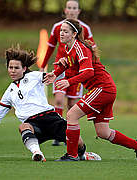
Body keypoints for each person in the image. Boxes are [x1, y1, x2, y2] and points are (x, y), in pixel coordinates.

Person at [0, 45, 101, 162]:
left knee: (79, 144)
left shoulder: (34, 76)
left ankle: (83, 155)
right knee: (23, 126)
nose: (12, 70)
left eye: (16, 67)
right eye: (10, 67)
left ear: (24, 68)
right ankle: (37, 153)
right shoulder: (9, 92)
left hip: (50, 118)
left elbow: (55, 75)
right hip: (33, 124)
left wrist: (66, 64)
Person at [43, 19, 137, 162]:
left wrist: (69, 82)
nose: (61, 33)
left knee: (72, 115)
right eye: (61, 30)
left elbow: (88, 73)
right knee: (103, 132)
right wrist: (55, 74)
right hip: (104, 89)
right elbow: (69, 65)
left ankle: (72, 155)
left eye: (65, 31)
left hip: (103, 88)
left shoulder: (80, 48)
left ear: (74, 34)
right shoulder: (69, 48)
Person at [40, 0, 96, 146]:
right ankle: (57, 133)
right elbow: (51, 46)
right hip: (61, 68)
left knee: (72, 105)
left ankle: (70, 135)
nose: (71, 10)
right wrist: (44, 64)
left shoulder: (85, 29)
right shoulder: (57, 27)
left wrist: (92, 66)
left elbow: (92, 49)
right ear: (65, 10)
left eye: (74, 8)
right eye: (69, 8)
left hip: (76, 72)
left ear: (78, 11)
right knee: (58, 100)